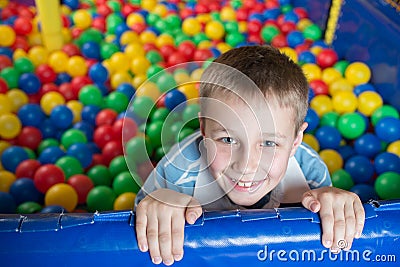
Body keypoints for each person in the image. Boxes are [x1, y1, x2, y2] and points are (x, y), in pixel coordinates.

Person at [134, 45, 365, 266]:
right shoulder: (177, 172)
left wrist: (335, 206)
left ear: (295, 142)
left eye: (268, 143)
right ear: (203, 130)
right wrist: (158, 207)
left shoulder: (310, 173)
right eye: (227, 140)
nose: (247, 165)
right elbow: (138, 220)